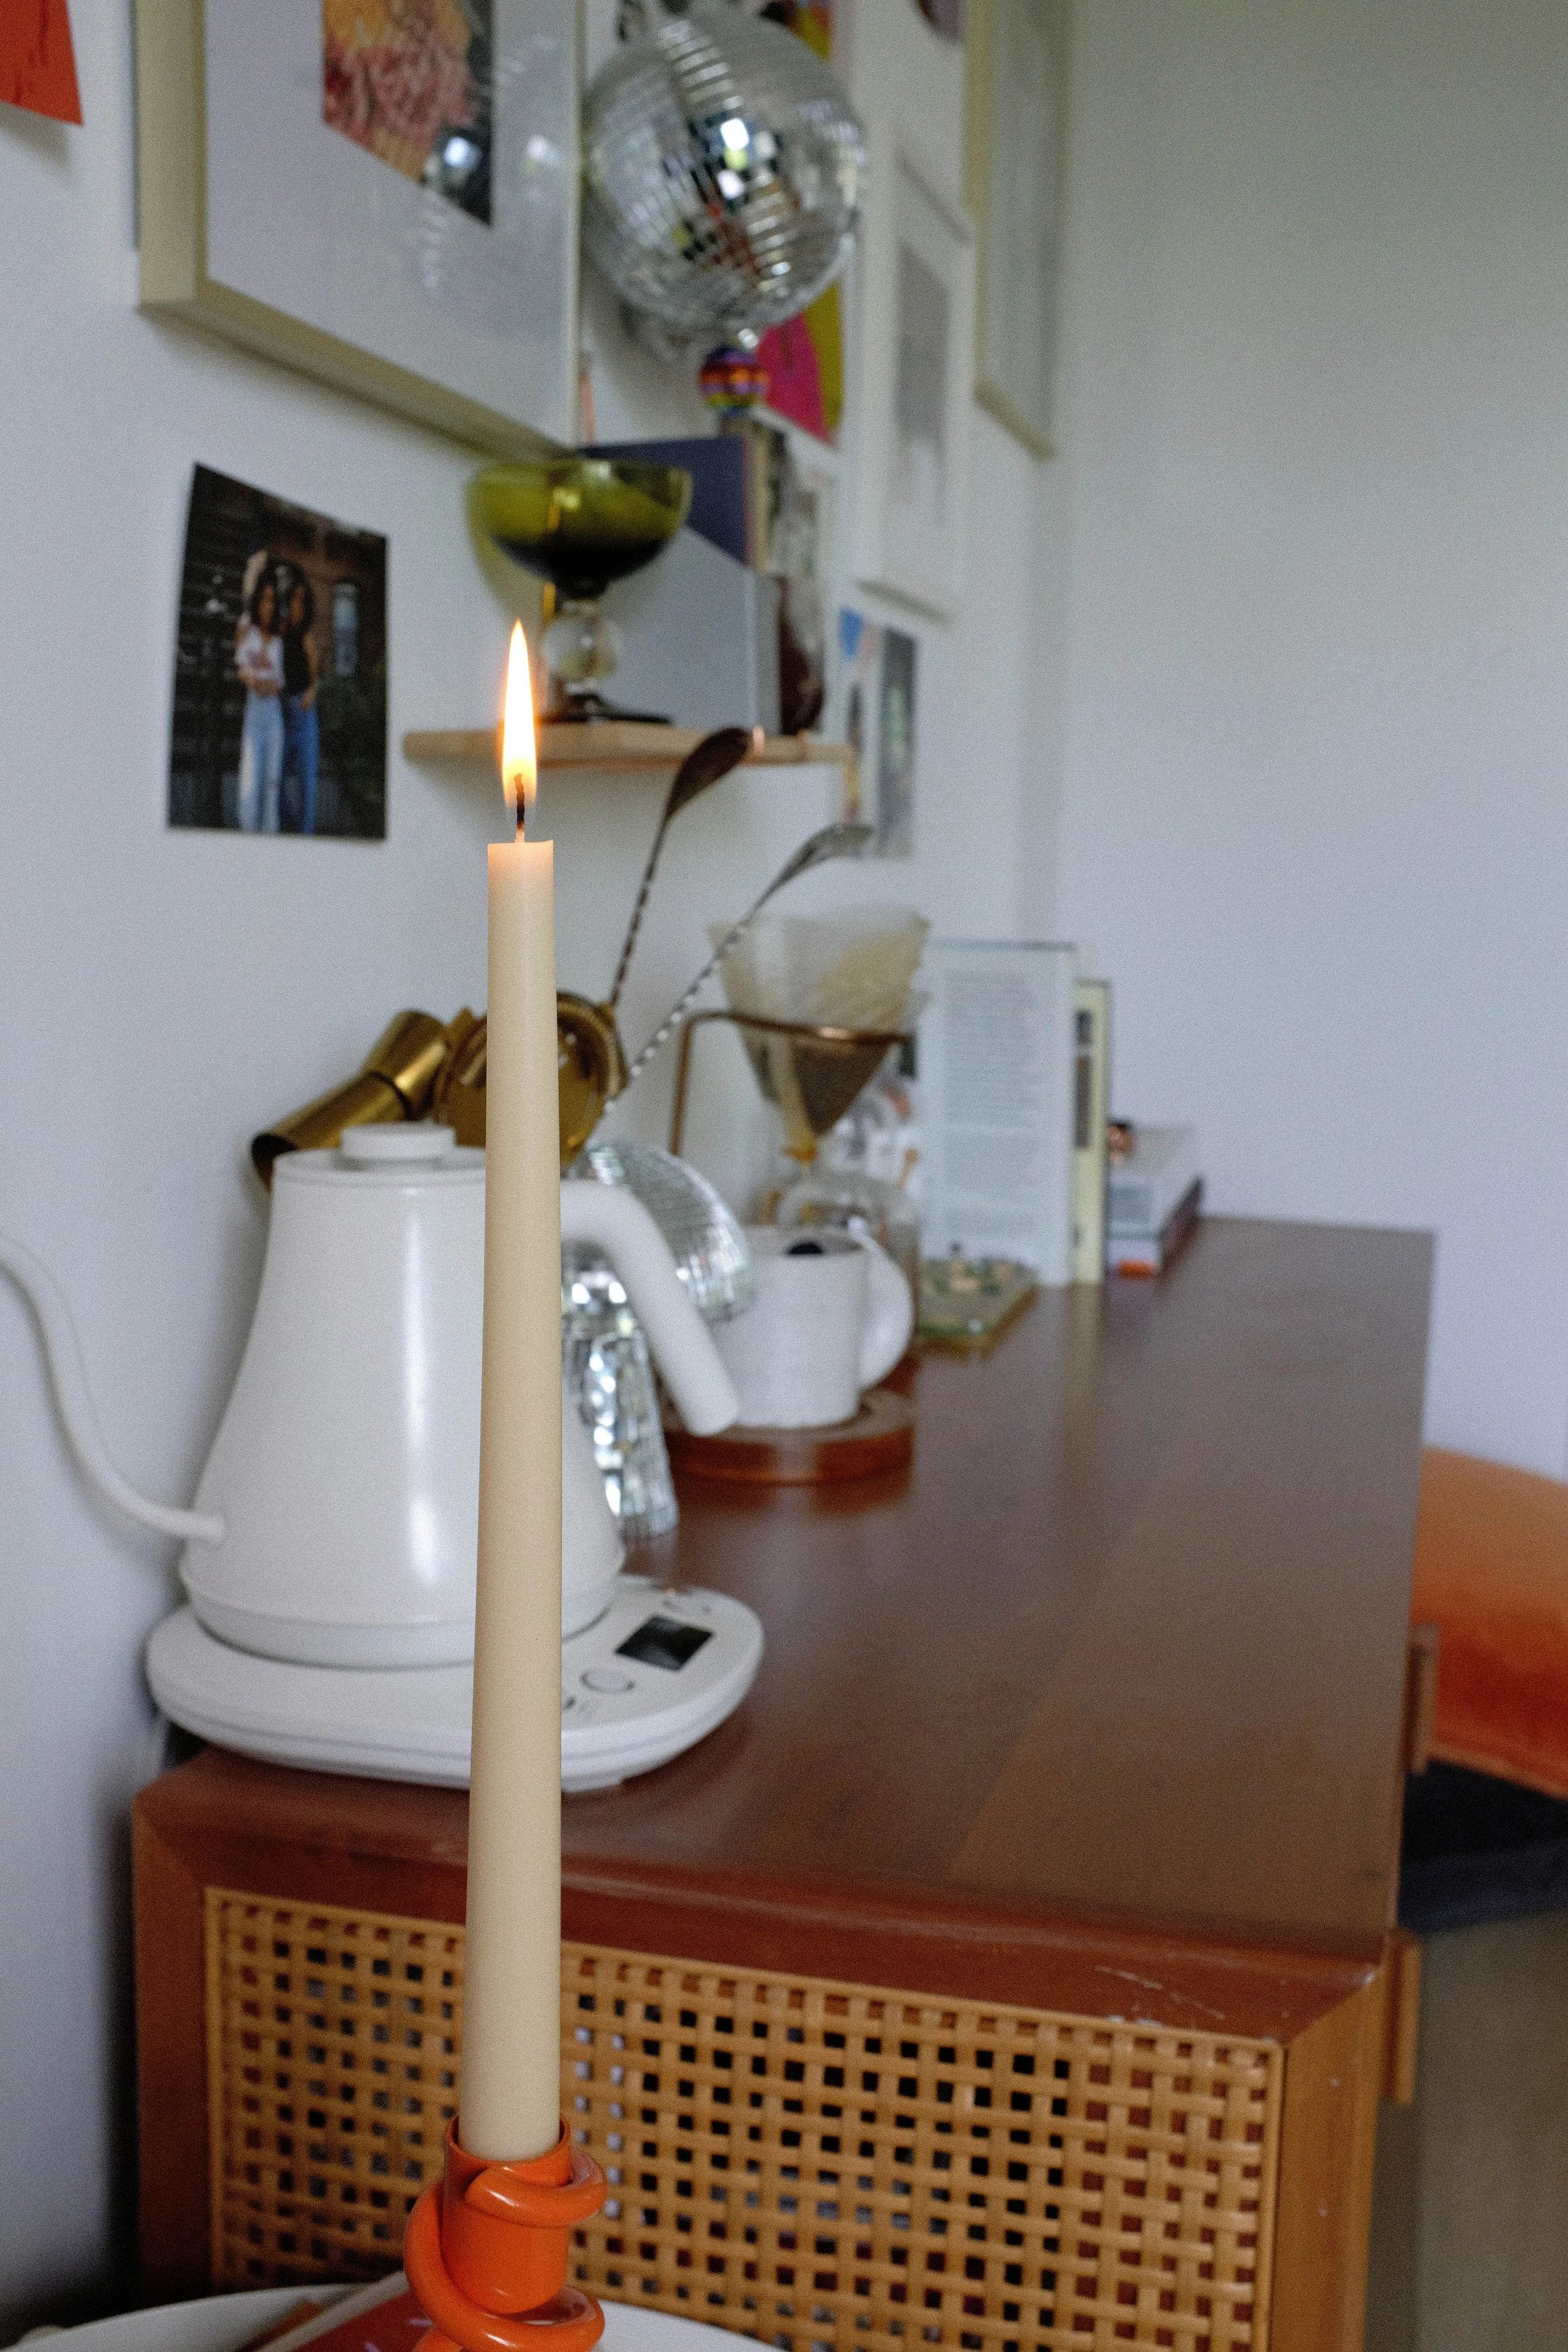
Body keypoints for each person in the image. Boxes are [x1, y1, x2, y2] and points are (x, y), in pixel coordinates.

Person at [235, 569, 284, 832]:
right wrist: (254, 679)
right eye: (264, 599)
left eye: (272, 601)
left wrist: (270, 685)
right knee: (250, 786)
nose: (268, 606)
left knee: (271, 785)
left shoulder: (278, 642)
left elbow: (279, 682)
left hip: (274, 717)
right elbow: (241, 670)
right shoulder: (249, 634)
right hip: (254, 715)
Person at [280, 575, 321, 835]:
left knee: (308, 782)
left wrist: (312, 694)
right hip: (283, 712)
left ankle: (306, 834)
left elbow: (316, 678)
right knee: (278, 781)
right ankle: (291, 824)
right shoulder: (280, 634)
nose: (298, 605)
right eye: (294, 599)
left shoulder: (306, 637)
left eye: (302, 601)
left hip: (305, 713)